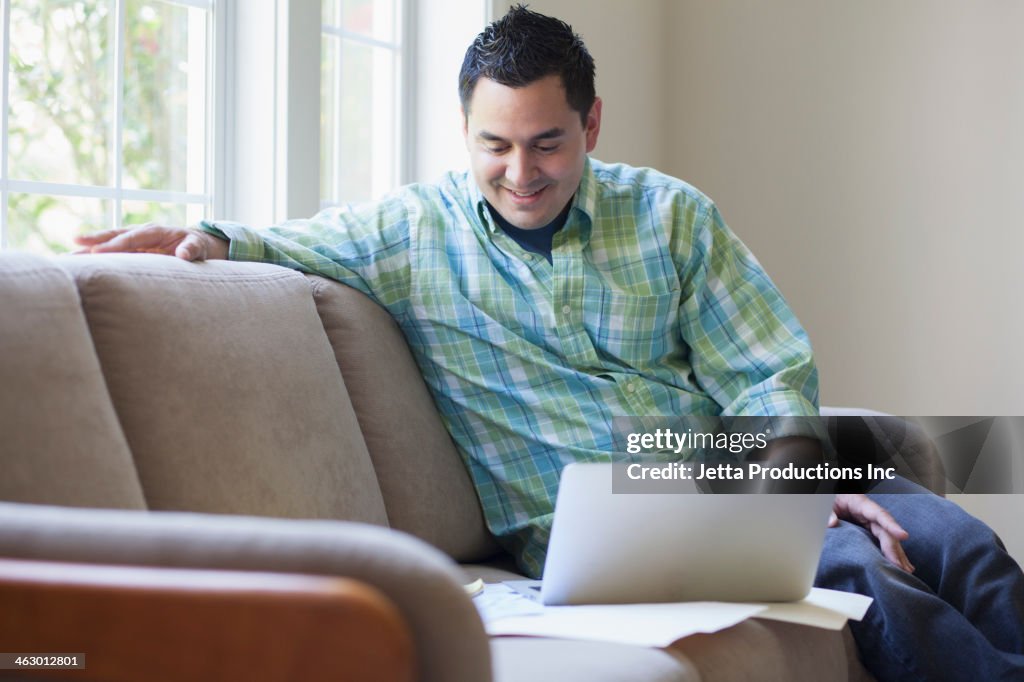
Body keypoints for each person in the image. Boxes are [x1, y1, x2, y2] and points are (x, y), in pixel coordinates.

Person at [74, 6, 1023, 680]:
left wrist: (787, 482)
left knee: (961, 541)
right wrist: (205, 235)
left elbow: (766, 366)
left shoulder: (671, 216)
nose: (519, 173)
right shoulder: (411, 235)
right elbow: (288, 239)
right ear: (466, 130)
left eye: (547, 143)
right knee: (869, 576)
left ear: (591, 125)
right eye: (495, 144)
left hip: (708, 466)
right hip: (597, 516)